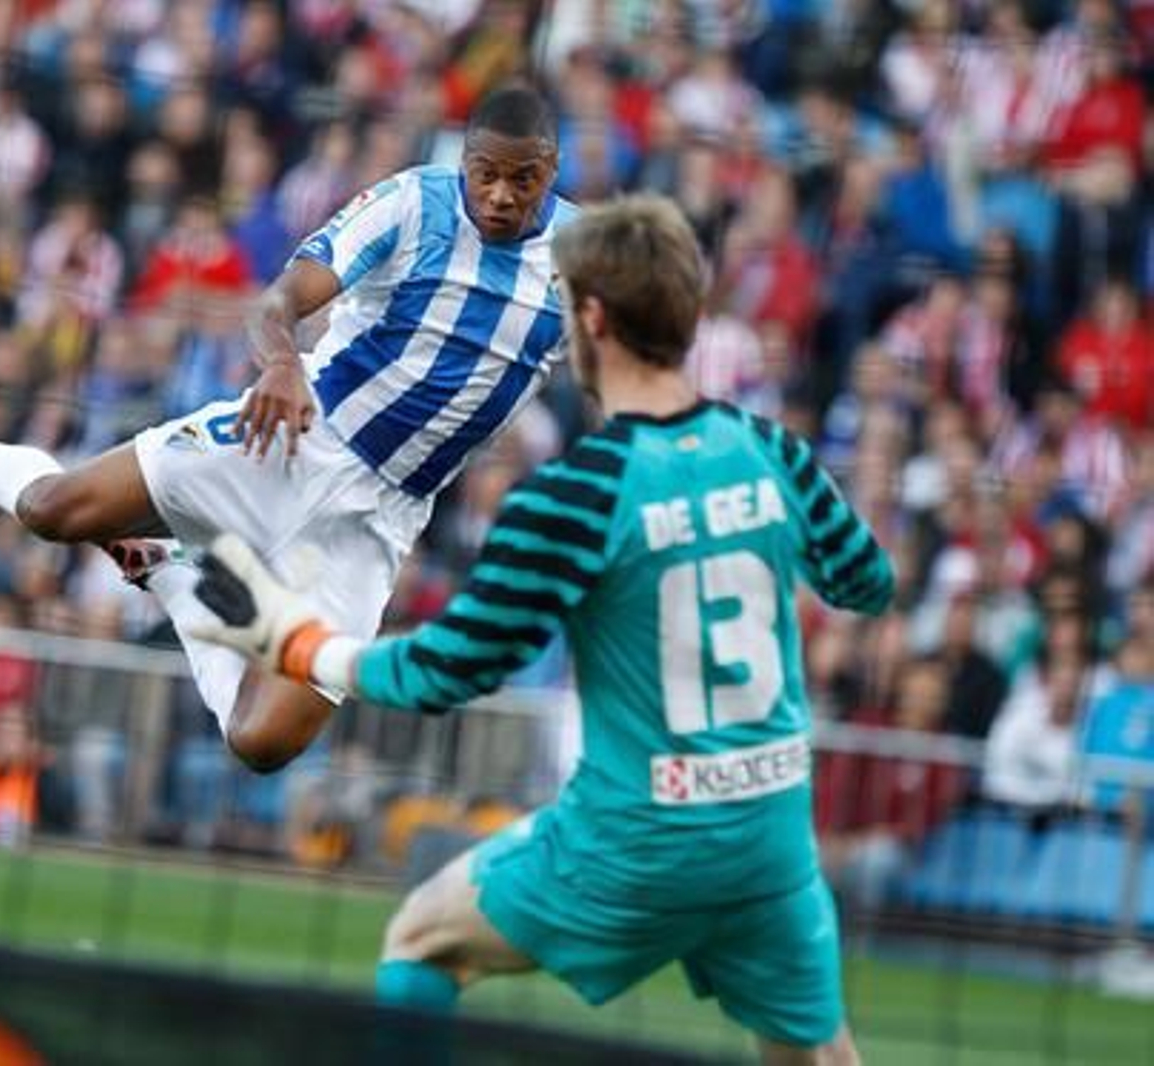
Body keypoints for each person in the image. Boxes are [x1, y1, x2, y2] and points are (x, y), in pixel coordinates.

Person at [191, 194, 893, 1063]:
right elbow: (867, 582)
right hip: (770, 836)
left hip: (637, 837)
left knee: (421, 941)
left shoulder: (575, 494)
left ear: (591, 317)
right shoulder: (771, 450)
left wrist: (291, 643)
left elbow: (444, 670)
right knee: (820, 1054)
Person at [0, 84, 577, 773]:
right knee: (56, 511)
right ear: (464, 161)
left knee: (261, 743)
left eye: (523, 178)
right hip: (288, 438)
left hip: (378, 517)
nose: (501, 194)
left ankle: (175, 578)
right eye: (486, 172)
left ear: (551, 170)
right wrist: (282, 364)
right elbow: (277, 299)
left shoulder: (581, 262)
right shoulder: (414, 204)